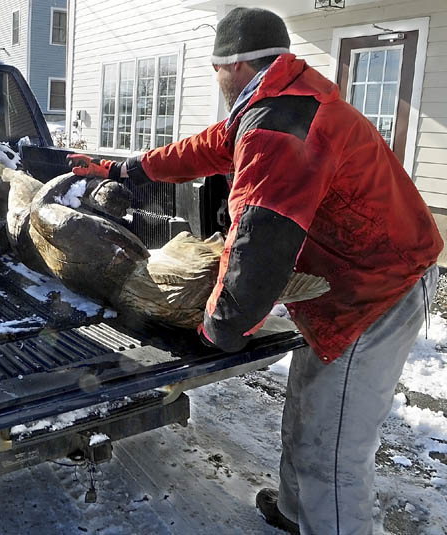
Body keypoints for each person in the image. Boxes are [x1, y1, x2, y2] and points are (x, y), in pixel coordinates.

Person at [69, 7, 442, 535]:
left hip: (377, 289)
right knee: (310, 407)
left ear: (236, 66)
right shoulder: (276, 102)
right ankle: (296, 513)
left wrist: (218, 327)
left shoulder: (277, 129)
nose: (216, 79)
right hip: (345, 282)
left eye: (216, 68)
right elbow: (205, 148)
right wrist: (126, 167)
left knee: (331, 445)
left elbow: (257, 245)